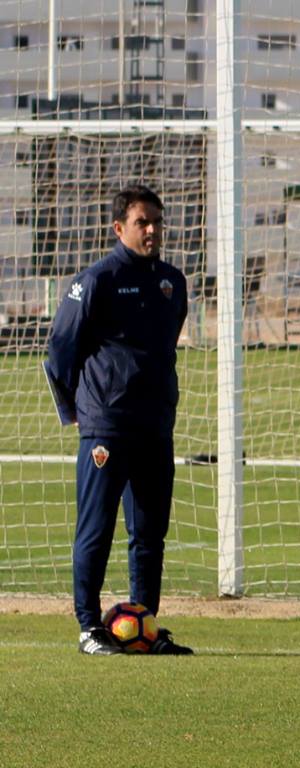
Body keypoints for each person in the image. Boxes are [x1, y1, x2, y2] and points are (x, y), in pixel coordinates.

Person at [44, 184, 193, 656]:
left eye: (156, 222)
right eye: (141, 222)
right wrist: (75, 411)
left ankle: (144, 625)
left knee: (149, 533)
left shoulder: (173, 282)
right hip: (105, 427)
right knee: (97, 528)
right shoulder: (96, 281)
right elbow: (59, 350)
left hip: (154, 427)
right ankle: (89, 626)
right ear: (118, 228)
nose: (151, 231)